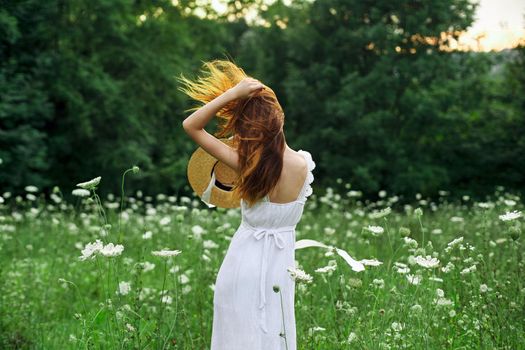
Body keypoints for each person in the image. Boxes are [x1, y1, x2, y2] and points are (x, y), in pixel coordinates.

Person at [179, 59, 315, 350]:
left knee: (236, 336)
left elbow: (191, 125)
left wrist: (231, 95)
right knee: (275, 333)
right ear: (279, 117)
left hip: (242, 262)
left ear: (246, 128)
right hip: (282, 268)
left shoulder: (247, 164)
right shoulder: (304, 165)